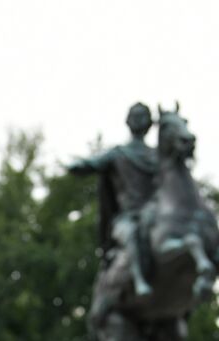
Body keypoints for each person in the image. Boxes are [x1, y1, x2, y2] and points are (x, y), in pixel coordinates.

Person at [68, 102, 160, 299]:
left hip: (153, 214)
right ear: (128, 121)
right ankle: (138, 280)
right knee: (130, 235)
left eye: (142, 116)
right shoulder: (118, 154)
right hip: (127, 217)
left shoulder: (157, 156)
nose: (138, 120)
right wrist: (77, 165)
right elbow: (92, 164)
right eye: (135, 116)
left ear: (150, 123)